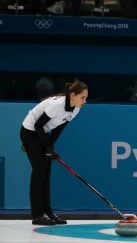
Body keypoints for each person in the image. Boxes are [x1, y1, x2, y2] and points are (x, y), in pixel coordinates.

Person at [20, 81, 88, 225]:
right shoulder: (56, 105)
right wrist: (47, 146)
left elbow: (58, 129)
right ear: (73, 95)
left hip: (42, 133)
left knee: (46, 173)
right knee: (39, 171)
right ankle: (37, 215)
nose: (85, 101)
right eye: (82, 97)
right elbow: (38, 125)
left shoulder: (75, 109)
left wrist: (50, 146)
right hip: (29, 132)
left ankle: (48, 213)